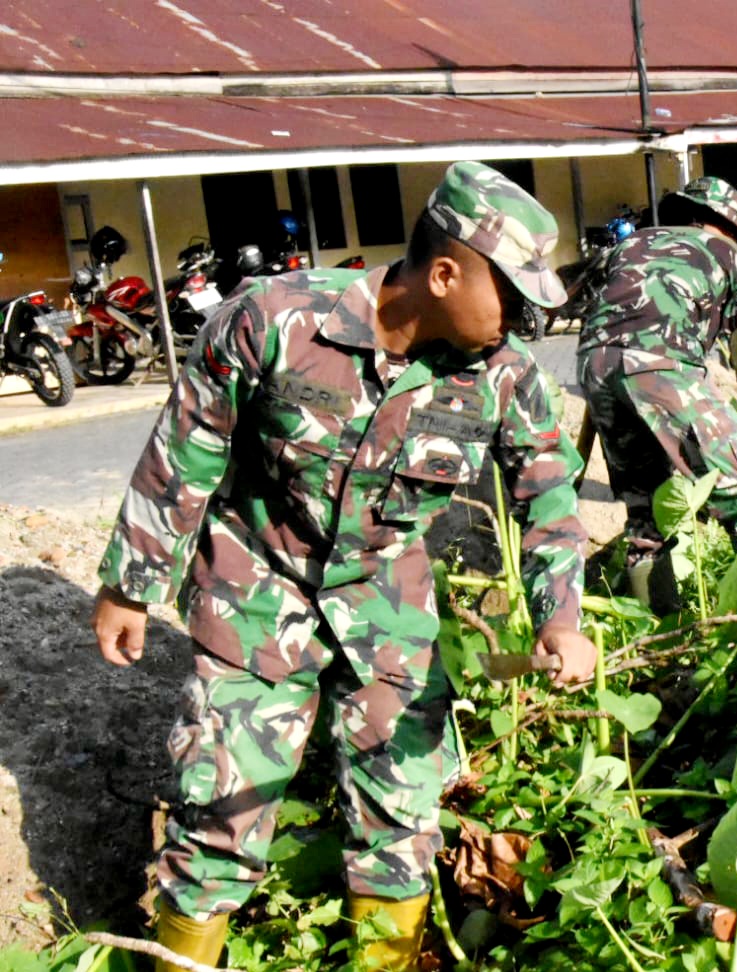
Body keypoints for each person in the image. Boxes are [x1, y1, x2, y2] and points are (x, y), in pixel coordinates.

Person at [90, 161, 597, 972]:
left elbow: (549, 502)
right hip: (254, 592)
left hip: (387, 609)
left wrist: (560, 618)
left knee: (400, 828)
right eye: (514, 295)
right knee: (218, 820)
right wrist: (130, 587)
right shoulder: (274, 320)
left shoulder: (505, 377)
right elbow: (185, 451)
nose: (524, 321)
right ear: (444, 273)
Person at [577, 175, 737, 614]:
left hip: (591, 366)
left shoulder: (627, 245)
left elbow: (601, 324)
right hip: (662, 367)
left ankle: (660, 644)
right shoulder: (732, 257)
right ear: (731, 227)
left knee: (647, 514)